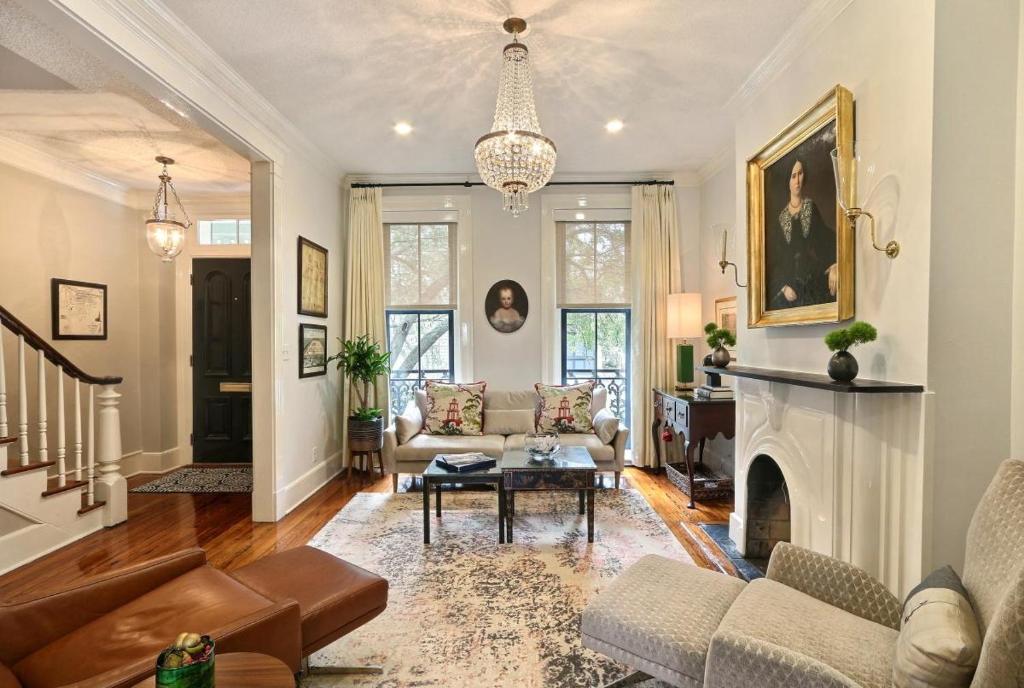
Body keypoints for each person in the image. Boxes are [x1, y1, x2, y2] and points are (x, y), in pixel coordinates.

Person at [766, 158, 838, 309]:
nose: (797, 180)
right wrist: (784, 287)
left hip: (813, 277)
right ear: (788, 180)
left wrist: (833, 264)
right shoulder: (782, 217)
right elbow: (777, 259)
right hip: (789, 283)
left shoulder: (810, 207)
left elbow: (824, 237)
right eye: (793, 176)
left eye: (800, 174)